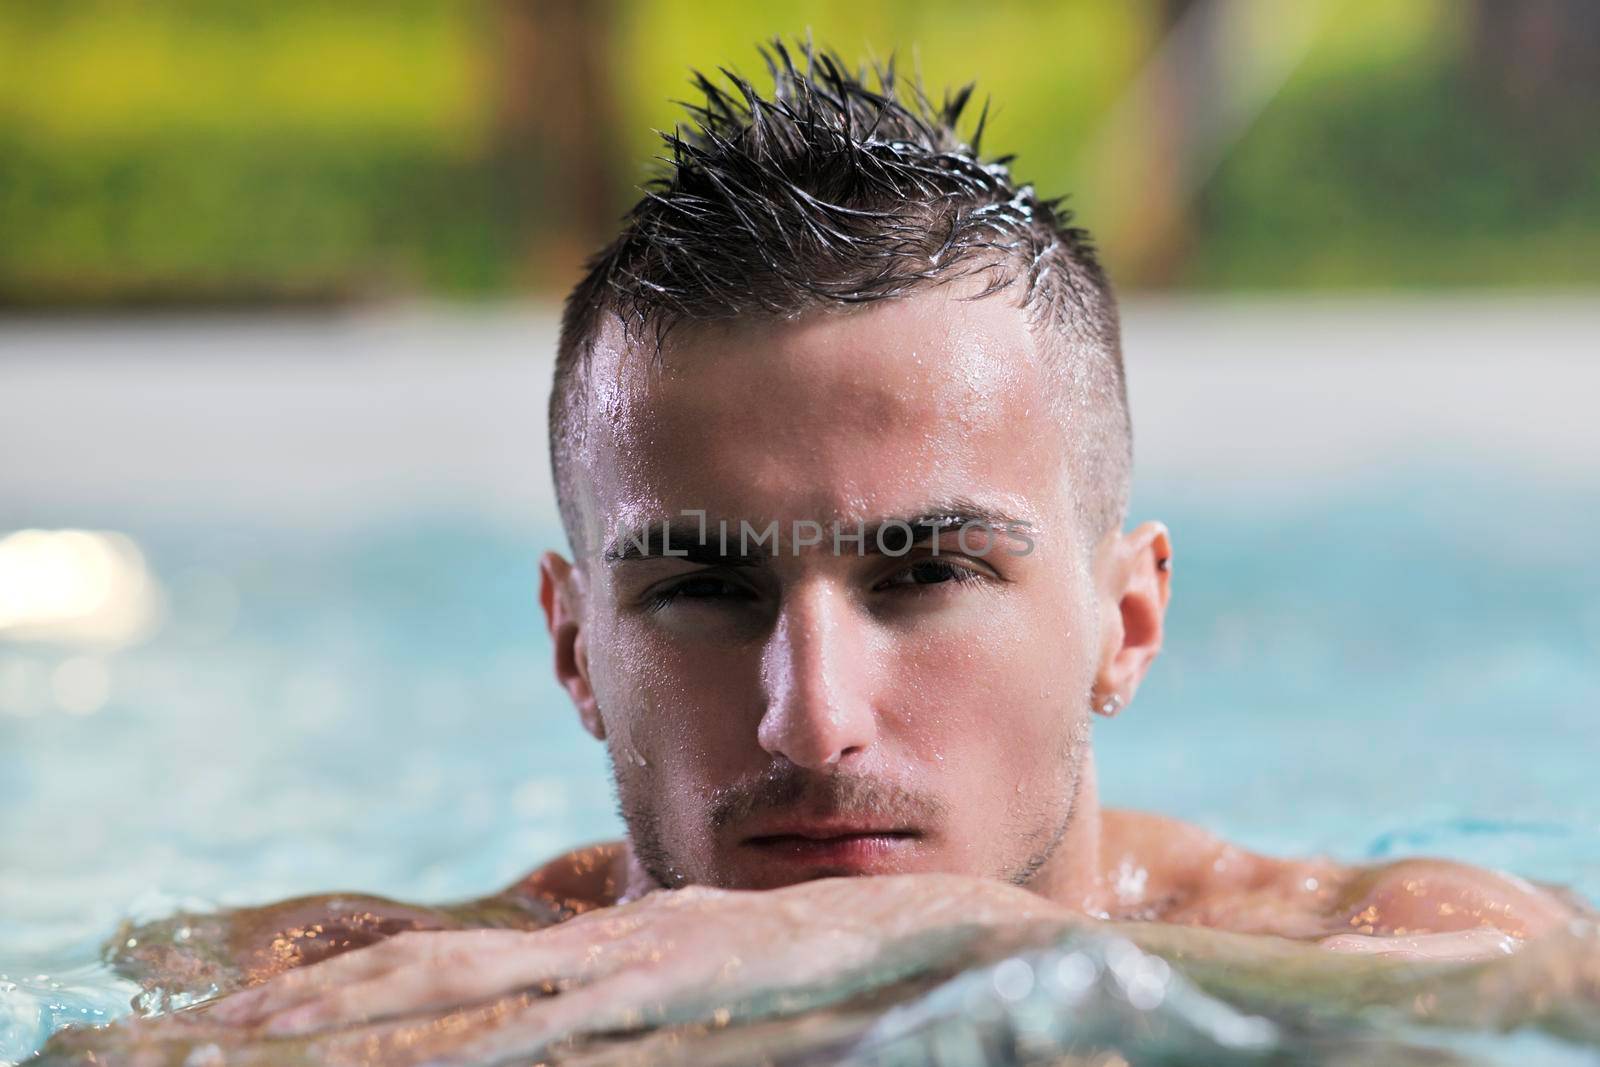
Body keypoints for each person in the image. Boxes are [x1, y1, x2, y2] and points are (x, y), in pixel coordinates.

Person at [172, 40, 1581, 1046]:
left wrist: (967, 939)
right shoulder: (383, 988)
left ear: (1126, 623)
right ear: (573, 645)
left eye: (925, 576)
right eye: (704, 590)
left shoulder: (1404, 949)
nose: (812, 722)